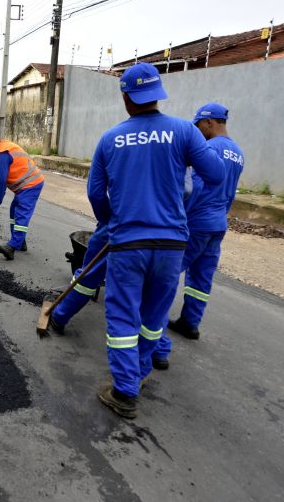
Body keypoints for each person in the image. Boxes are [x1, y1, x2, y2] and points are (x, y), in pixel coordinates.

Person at [87, 62, 225, 418]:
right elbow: (215, 174)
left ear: (125, 96)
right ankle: (141, 371)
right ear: (158, 93)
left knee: (121, 318)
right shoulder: (184, 131)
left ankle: (125, 390)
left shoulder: (110, 138)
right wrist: (183, 203)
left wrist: (110, 223)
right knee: (153, 317)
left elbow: (96, 193)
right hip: (172, 244)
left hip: (127, 244)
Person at [152, 103, 244, 369]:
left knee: (164, 279)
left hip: (197, 222)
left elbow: (196, 189)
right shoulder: (238, 152)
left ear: (209, 122)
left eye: (199, 125)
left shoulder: (209, 150)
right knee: (201, 277)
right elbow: (230, 192)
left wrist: (178, 218)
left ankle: (157, 344)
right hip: (218, 224)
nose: (197, 130)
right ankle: (190, 323)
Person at [0, 130, 44, 260]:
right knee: (14, 211)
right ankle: (20, 241)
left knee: (21, 213)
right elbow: (4, 180)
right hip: (24, 186)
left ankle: (12, 246)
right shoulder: (5, 146)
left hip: (31, 185)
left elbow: (1, 181)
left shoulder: (3, 154)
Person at [48, 223, 109, 334]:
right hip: (150, 245)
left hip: (119, 234)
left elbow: (103, 209)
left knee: (88, 278)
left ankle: (59, 316)